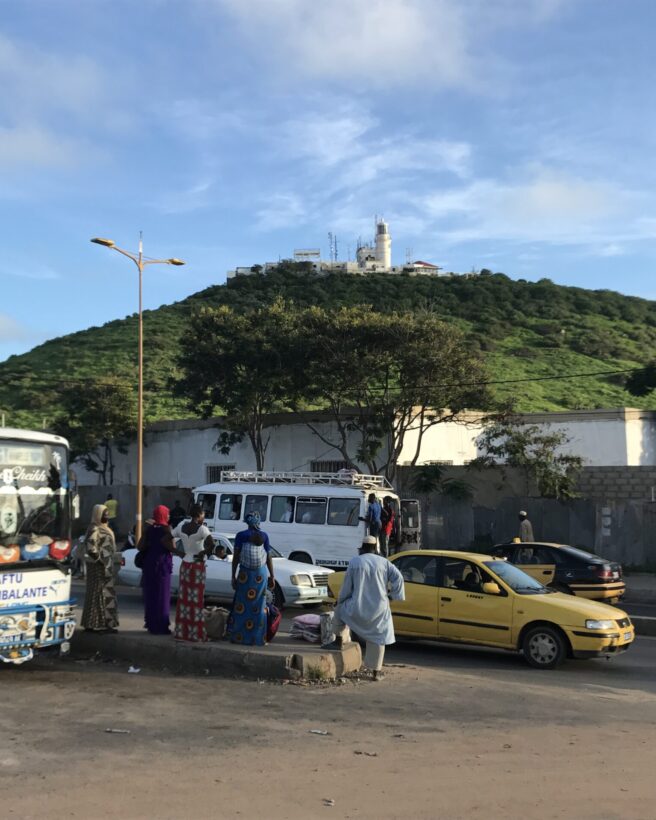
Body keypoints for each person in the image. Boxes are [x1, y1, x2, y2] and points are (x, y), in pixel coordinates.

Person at [323, 535, 405, 680]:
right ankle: (375, 672)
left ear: (362, 548)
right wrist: (392, 596)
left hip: (357, 607)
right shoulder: (384, 563)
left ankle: (338, 641)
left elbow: (347, 587)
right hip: (379, 609)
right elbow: (398, 578)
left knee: (340, 610)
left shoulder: (355, 562)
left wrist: (340, 600)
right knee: (378, 637)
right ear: (376, 548)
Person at [227, 512, 275, 646]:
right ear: (258, 522)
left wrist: (233, 575)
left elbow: (236, 557)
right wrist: (272, 575)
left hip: (245, 574)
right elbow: (269, 557)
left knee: (242, 605)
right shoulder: (264, 536)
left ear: (247, 523)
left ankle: (239, 637)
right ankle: (258, 639)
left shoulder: (241, 535)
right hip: (261, 575)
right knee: (259, 606)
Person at [172, 504, 214, 642]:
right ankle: (195, 633)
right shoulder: (202, 529)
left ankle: (182, 632)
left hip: (185, 565)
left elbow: (166, 539)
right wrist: (203, 553)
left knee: (184, 600)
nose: (204, 517)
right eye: (203, 515)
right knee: (197, 600)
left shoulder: (181, 527)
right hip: (197, 566)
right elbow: (211, 544)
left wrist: (177, 552)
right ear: (199, 515)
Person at [138, 505, 177, 635]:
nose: (169, 516)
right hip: (162, 565)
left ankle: (151, 624)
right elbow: (172, 547)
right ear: (164, 515)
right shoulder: (167, 529)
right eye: (168, 514)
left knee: (151, 595)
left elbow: (140, 546)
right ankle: (161, 626)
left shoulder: (149, 529)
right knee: (163, 596)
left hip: (149, 564)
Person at [80, 504, 119, 633]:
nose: (106, 517)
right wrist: (100, 561)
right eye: (104, 515)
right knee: (100, 595)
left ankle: (98, 624)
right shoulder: (94, 528)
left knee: (104, 594)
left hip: (106, 566)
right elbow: (91, 548)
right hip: (99, 568)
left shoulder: (103, 528)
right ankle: (99, 624)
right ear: (97, 515)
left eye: (107, 515)